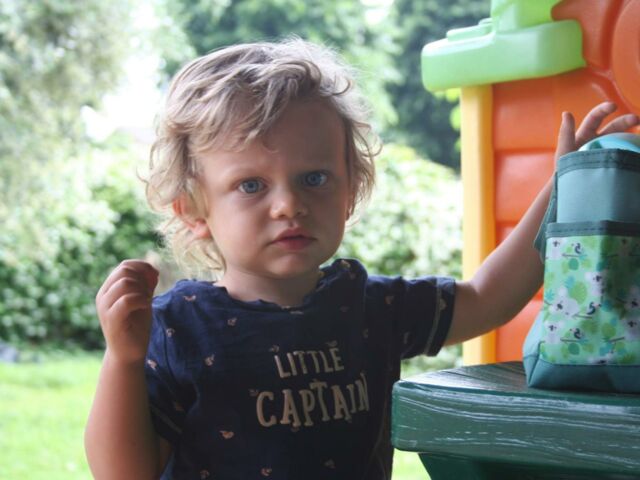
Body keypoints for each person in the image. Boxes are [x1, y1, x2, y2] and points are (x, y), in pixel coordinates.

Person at [84, 39, 639, 480]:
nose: (288, 204)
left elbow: (487, 299)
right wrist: (124, 361)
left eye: (314, 178)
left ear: (350, 190)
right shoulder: (178, 328)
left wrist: (561, 187)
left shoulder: (370, 307)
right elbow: (123, 472)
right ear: (194, 209)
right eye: (251, 185)